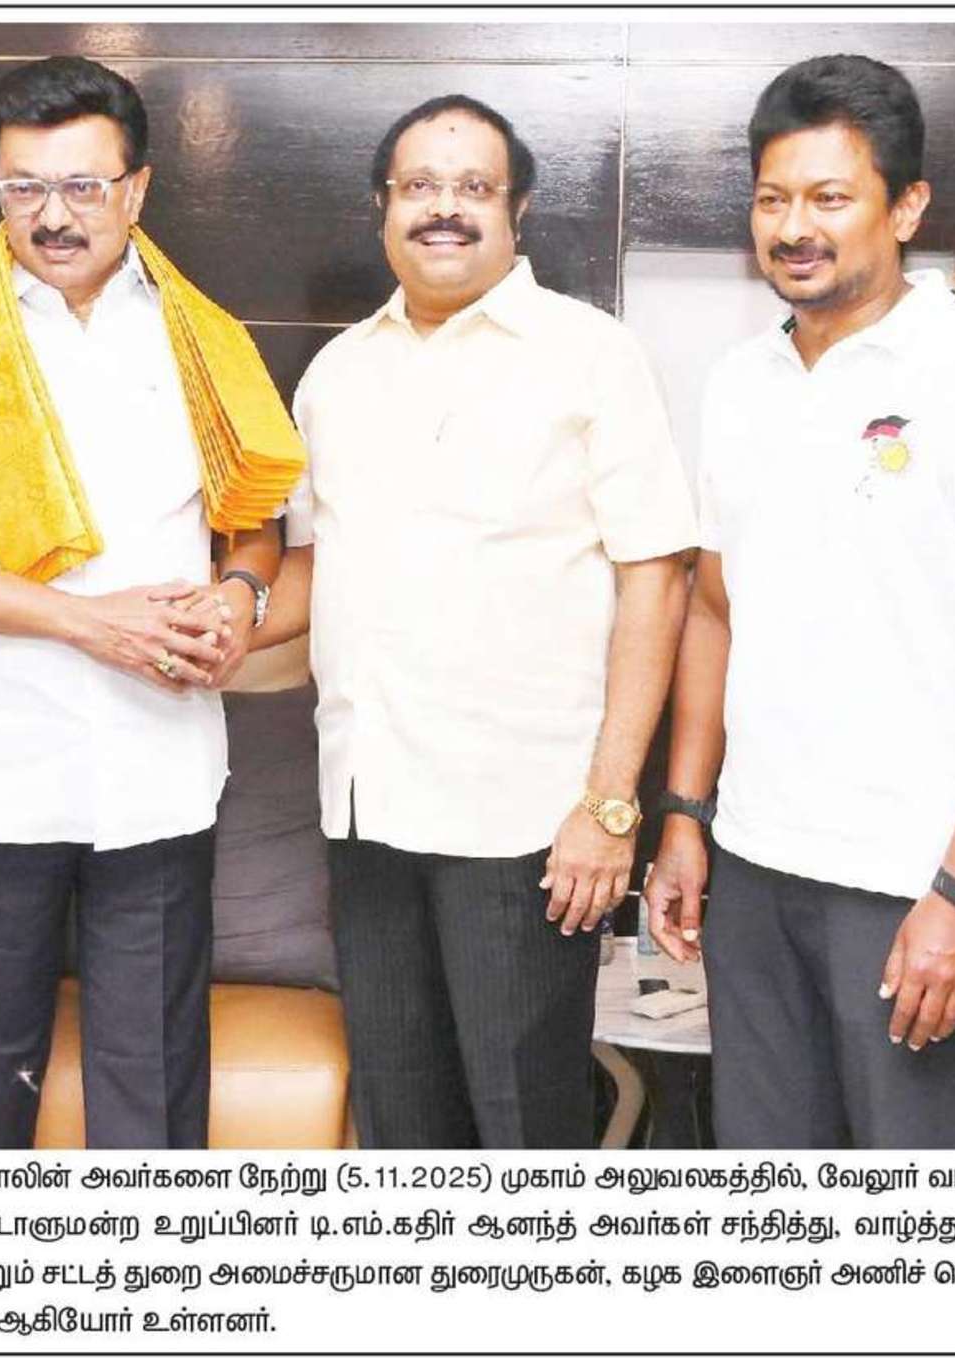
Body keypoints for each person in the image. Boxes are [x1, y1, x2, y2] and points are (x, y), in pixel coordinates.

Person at [0, 56, 297, 1149]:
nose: (53, 217)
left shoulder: (204, 339)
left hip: (161, 761)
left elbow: (256, 521)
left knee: (154, 1083)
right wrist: (91, 623)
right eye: (25, 188)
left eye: (83, 187)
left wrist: (240, 597)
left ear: (136, 189)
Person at [643, 54, 955, 1148]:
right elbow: (714, 609)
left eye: (830, 198)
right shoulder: (739, 383)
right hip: (754, 866)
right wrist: (687, 814)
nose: (795, 228)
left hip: (908, 884)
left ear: (908, 207)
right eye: (772, 199)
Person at [282, 95, 697, 1148]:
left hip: (525, 828)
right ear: (382, 207)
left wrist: (610, 807)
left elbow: (657, 581)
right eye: (420, 186)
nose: (445, 209)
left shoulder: (590, 355)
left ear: (518, 212)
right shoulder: (337, 372)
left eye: (474, 187)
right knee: (401, 1129)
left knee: (524, 1133)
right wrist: (189, 627)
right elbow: (311, 571)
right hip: (367, 810)